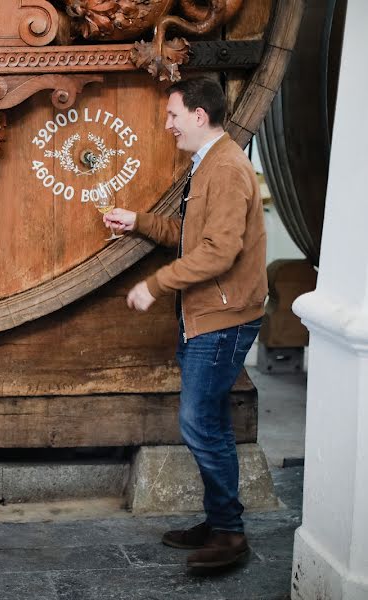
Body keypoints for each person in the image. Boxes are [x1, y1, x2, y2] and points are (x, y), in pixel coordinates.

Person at [104, 77, 267, 570]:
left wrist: (155, 285)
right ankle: (221, 522)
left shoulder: (227, 168)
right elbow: (191, 235)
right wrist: (139, 221)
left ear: (200, 115)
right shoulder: (209, 165)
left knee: (199, 423)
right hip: (206, 313)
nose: (168, 124)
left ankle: (231, 535)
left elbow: (220, 251)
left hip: (222, 317)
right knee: (210, 421)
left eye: (174, 115)